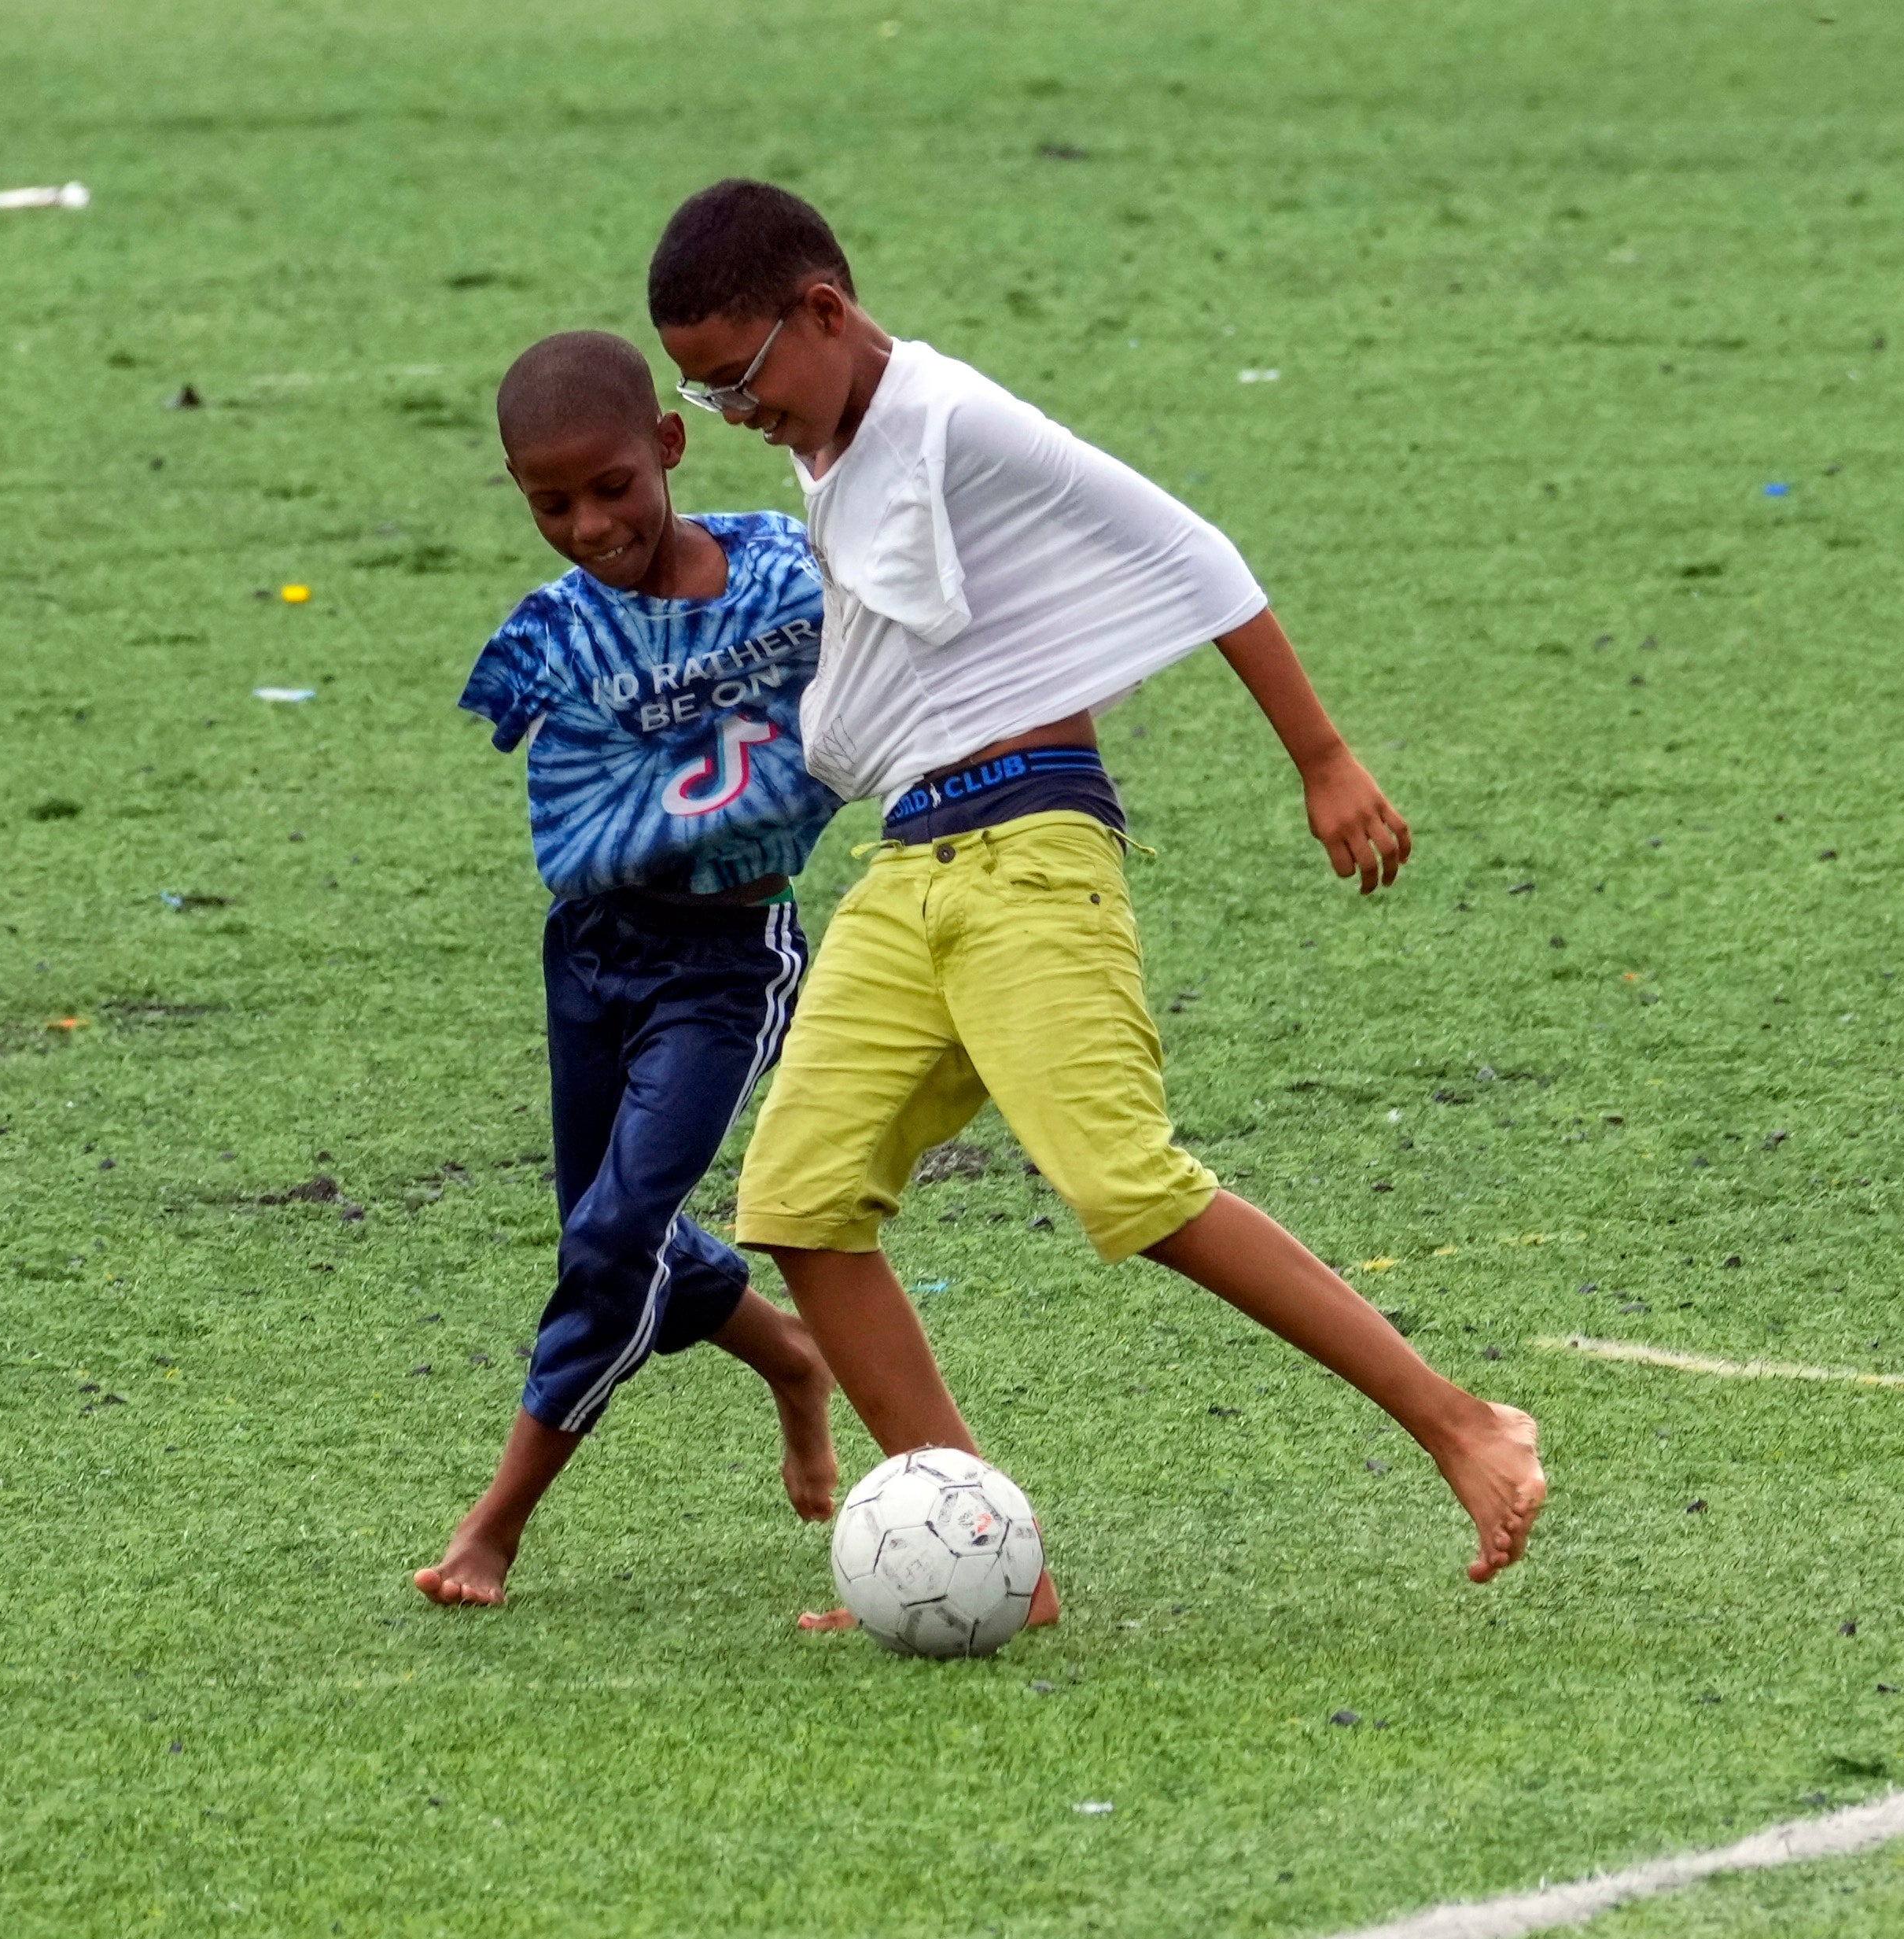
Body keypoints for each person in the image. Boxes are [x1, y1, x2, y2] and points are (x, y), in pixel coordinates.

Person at [644, 182, 1547, 1626]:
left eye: (741, 377)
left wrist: (1323, 760)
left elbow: (1192, 553)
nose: (736, 412)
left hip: (1028, 851)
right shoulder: (835, 446)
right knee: (799, 1203)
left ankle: (1460, 1422)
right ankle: (989, 1559)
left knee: (1126, 1183)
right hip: (908, 866)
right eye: (705, 391)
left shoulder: (954, 418)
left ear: (822, 312)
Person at [414, 330, 844, 1609]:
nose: (588, 526)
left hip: (725, 961)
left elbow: (885, 680)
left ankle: (494, 1524)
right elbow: (559, 788)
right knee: (604, 1230)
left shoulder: (790, 579)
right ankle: (789, 1358)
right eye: (549, 504)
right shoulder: (550, 635)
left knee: (612, 1237)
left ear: (668, 445)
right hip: (591, 951)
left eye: (610, 487)